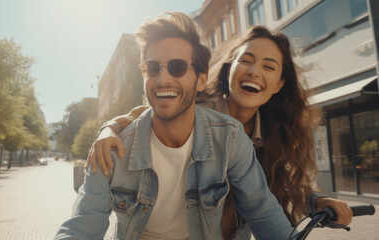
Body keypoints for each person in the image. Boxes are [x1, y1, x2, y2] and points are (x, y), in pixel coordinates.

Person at [86, 25, 353, 239]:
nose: (253, 71)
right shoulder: (196, 105)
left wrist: (314, 199)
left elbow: (269, 193)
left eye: (269, 67)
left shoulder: (274, 130)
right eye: (245, 60)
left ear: (279, 84)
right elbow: (148, 111)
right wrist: (109, 128)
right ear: (228, 70)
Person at [56, 12, 294, 240]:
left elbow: (262, 209)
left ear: (201, 79)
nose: (162, 79)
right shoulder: (110, 150)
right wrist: (109, 127)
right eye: (152, 68)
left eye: (177, 67)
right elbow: (81, 226)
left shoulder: (230, 137)